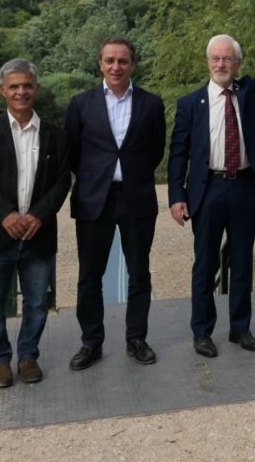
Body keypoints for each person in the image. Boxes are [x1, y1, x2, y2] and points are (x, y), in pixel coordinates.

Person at [168, 13, 255, 358]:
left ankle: (240, 328)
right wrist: (176, 196)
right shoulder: (190, 104)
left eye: (227, 58)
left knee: (242, 261)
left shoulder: (250, 93)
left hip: (243, 187)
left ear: (237, 63)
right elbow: (178, 153)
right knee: (205, 264)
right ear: (208, 62)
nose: (221, 63)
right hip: (207, 191)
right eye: (216, 58)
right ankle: (202, 331)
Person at [0, 59, 71, 388]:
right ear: (2, 90)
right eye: (14, 86)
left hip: (38, 232)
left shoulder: (55, 134)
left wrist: (39, 213)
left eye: (27, 85)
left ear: (36, 89)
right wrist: (6, 214)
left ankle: (27, 356)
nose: (21, 91)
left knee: (37, 302)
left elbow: (62, 180)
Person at [65, 37, 166, 370]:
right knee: (89, 276)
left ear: (132, 64)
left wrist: (130, 174)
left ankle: (136, 339)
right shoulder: (81, 104)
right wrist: (99, 176)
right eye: (110, 60)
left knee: (139, 273)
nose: (116, 66)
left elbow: (155, 151)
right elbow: (74, 154)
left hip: (136, 197)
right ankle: (91, 343)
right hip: (95, 198)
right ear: (100, 64)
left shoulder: (152, 104)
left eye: (123, 61)